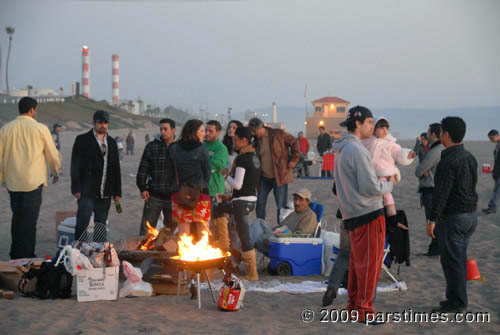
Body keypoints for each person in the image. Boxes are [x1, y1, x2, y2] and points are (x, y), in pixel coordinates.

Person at [329, 106, 395, 325]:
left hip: (352, 214)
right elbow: (370, 187)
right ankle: (363, 310)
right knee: (370, 264)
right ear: (358, 124)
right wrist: (388, 184)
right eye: (369, 122)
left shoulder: (340, 149)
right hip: (367, 213)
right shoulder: (355, 150)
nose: (372, 127)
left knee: (359, 263)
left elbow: (338, 188)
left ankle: (354, 307)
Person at [427, 117, 478, 313]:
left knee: (452, 260)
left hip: (454, 216)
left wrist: (432, 219)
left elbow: (441, 194)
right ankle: (455, 298)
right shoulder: (469, 157)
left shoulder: (448, 161)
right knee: (458, 258)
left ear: (446, 135)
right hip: (470, 215)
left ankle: (457, 302)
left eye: (441, 132)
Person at [0, 97, 61, 259]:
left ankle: (15, 254)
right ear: (32, 110)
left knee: (17, 218)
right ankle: (27, 256)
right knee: (29, 221)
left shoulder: (6, 129)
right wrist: (55, 171)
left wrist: (2, 178)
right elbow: (52, 154)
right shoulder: (40, 128)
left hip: (13, 183)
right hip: (33, 183)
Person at [212, 127, 261, 280]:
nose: (234, 143)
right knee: (241, 232)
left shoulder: (242, 159)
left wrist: (226, 175)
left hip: (241, 202)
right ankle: (227, 248)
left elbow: (238, 185)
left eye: (235, 140)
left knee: (243, 235)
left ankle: (225, 246)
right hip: (251, 200)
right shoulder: (255, 157)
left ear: (244, 140)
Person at [71, 110, 122, 241]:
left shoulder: (111, 142)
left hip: (105, 192)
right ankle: (79, 252)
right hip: (86, 191)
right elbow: (75, 165)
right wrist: (76, 188)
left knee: (101, 225)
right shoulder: (82, 140)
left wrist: (117, 192)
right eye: (100, 122)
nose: (103, 125)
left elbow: (116, 168)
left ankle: (98, 254)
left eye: (105, 122)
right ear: (94, 123)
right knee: (82, 223)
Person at [362, 116, 415, 229]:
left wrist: (407, 155)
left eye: (386, 128)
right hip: (370, 173)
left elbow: (398, 153)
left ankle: (392, 215)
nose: (384, 131)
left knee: (386, 195)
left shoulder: (390, 143)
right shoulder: (367, 140)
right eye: (381, 128)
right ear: (374, 128)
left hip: (384, 173)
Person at [248, 117, 300, 224]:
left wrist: (294, 160)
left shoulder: (278, 134)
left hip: (279, 176)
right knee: (260, 203)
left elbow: (294, 142)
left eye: (254, 131)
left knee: (281, 206)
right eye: (251, 132)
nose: (253, 133)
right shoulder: (255, 141)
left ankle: (280, 229)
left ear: (261, 127)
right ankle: (260, 226)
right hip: (263, 178)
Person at [166, 119, 211, 236]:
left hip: (179, 194)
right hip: (200, 194)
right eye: (202, 130)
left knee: (183, 233)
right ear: (194, 132)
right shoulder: (202, 149)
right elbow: (207, 173)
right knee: (203, 232)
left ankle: (185, 254)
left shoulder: (174, 148)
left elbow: (169, 172)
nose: (204, 133)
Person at [249, 188, 317, 256]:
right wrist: (265, 231)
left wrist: (273, 239)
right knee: (259, 222)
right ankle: (246, 249)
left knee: (255, 233)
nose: (296, 202)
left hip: (284, 245)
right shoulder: (294, 213)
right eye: (295, 199)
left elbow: (299, 236)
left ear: (308, 202)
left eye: (300, 199)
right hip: (277, 237)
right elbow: (279, 226)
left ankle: (245, 250)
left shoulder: (310, 216)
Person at [137, 119, 176, 235]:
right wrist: (142, 187)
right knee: (146, 230)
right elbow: (143, 169)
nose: (163, 132)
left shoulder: (179, 148)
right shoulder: (152, 146)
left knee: (172, 231)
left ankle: (170, 252)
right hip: (154, 195)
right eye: (161, 129)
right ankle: (142, 252)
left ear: (173, 130)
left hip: (173, 197)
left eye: (165, 129)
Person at [415, 123, 444, 256]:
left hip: (431, 189)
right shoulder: (441, 148)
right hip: (437, 188)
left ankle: (435, 250)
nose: (426, 134)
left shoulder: (435, 150)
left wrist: (423, 170)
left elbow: (419, 170)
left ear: (433, 134)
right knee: (437, 220)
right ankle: (436, 248)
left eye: (428, 131)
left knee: (433, 221)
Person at [204, 120, 228, 201]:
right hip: (200, 191)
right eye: (206, 130)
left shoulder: (221, 148)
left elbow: (213, 166)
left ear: (218, 133)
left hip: (214, 192)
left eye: (210, 131)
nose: (207, 133)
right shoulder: (200, 145)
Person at [482, 129, 500, 214]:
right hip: (497, 172)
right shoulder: (498, 145)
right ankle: (491, 206)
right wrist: (493, 169)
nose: (490, 140)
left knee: (497, 191)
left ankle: (492, 206)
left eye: (491, 138)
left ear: (496, 135)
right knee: (496, 191)